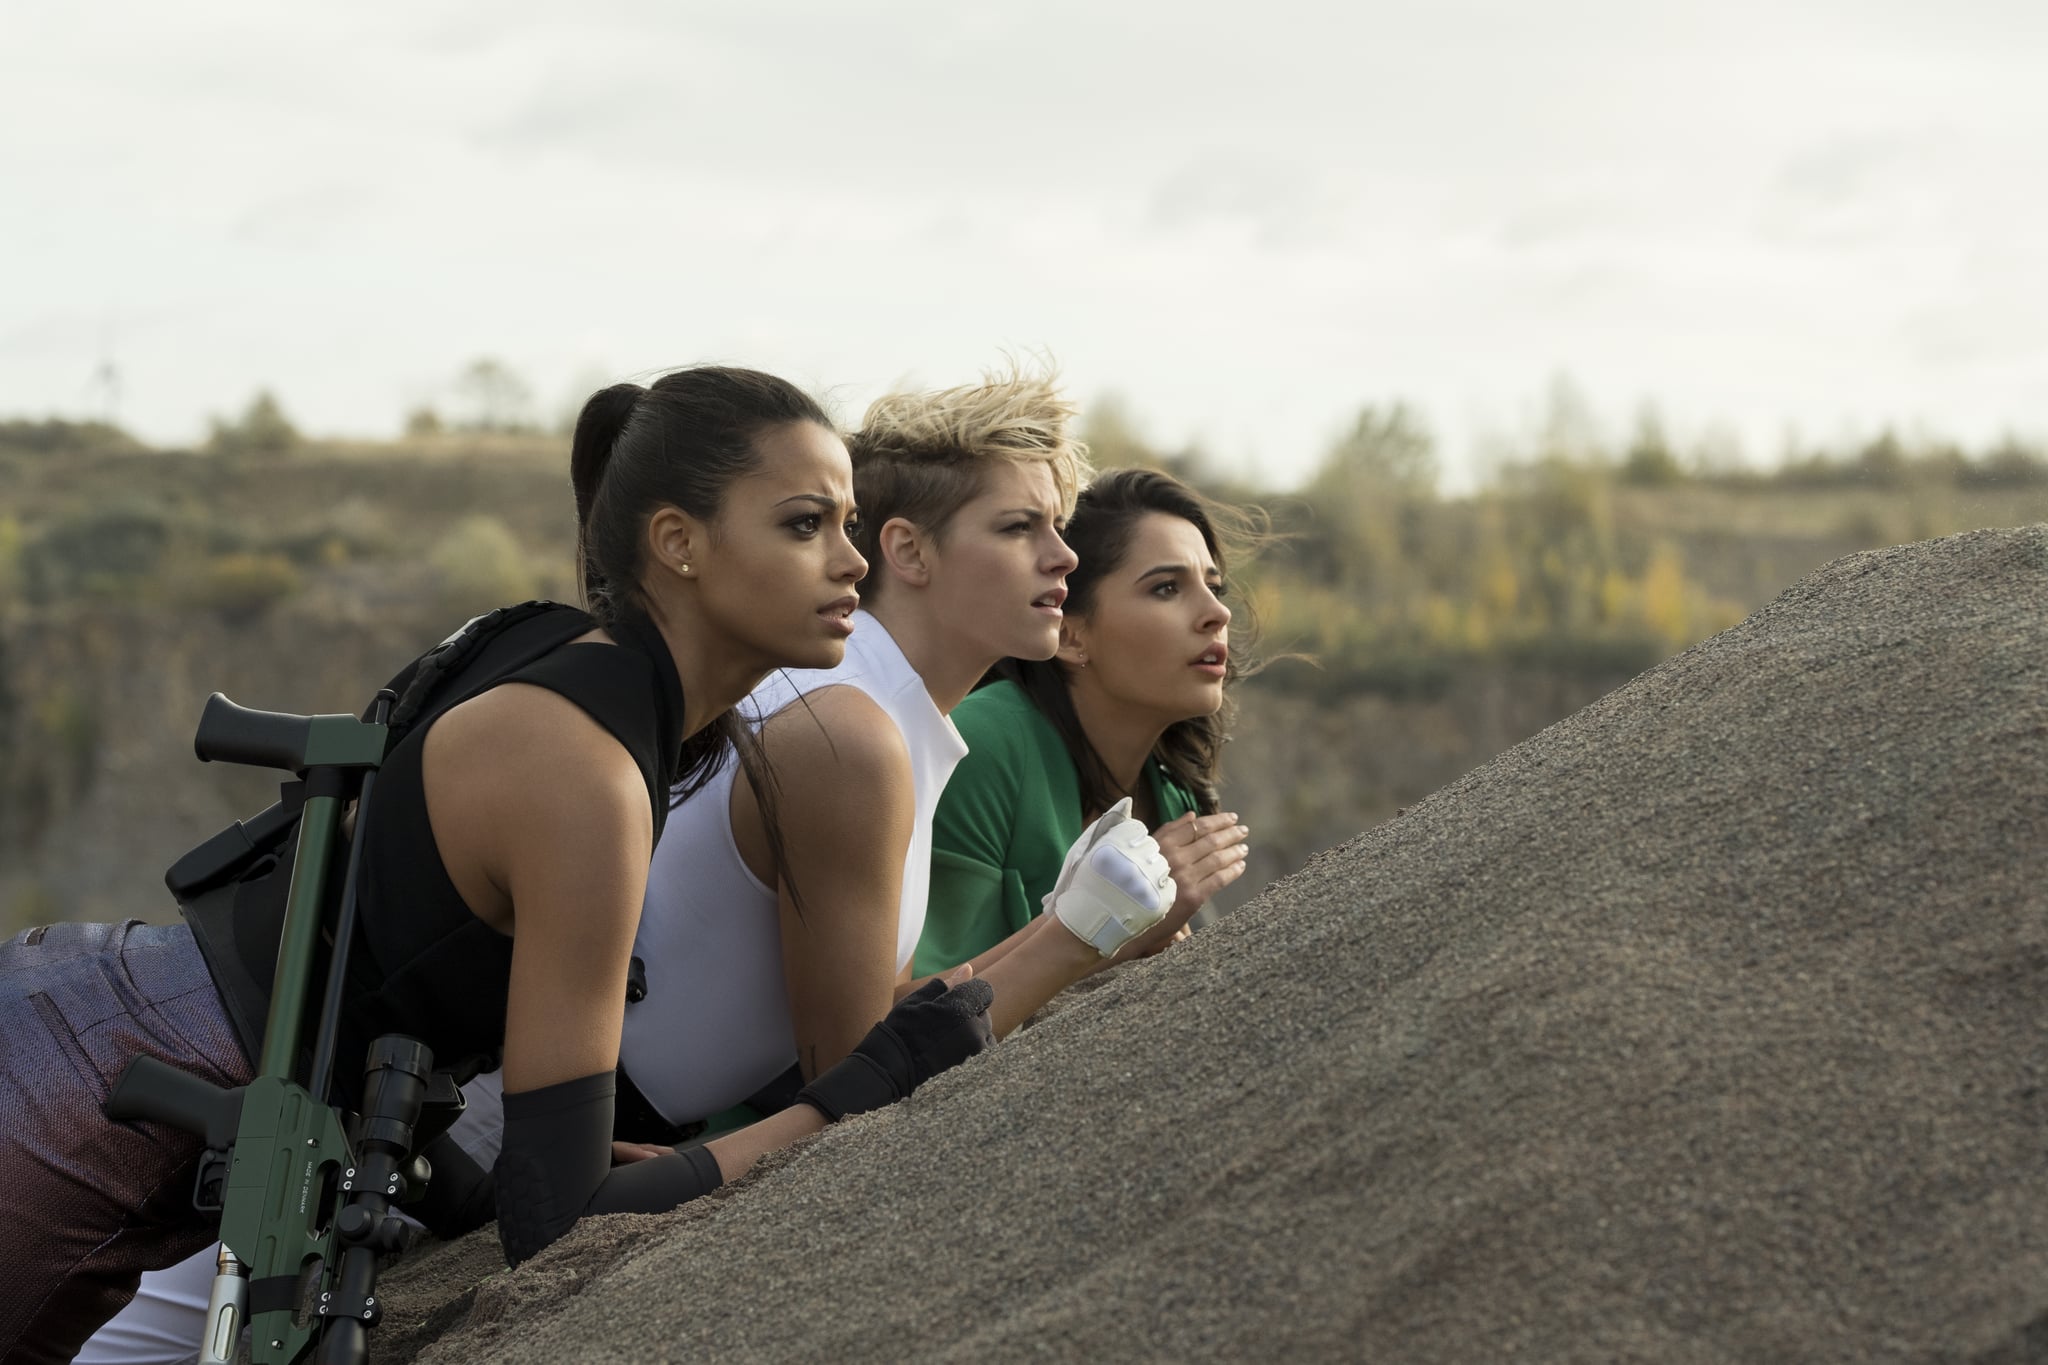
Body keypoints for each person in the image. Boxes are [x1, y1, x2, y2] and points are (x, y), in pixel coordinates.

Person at [1, 366, 996, 1364]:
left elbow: (388, 992)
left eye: (850, 525)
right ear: (677, 543)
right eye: (802, 525)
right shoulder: (589, 772)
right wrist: (856, 1090)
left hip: (103, 1044)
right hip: (94, 1103)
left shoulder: (567, 663)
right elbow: (557, 1222)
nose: (851, 563)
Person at [612, 365, 1189, 1143]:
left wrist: (1069, 922)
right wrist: (1077, 936)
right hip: (512, 1150)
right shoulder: (851, 731)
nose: (1065, 557)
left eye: (1059, 526)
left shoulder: (865, 699)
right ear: (909, 551)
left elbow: (879, 1006)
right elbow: (856, 1076)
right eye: (1020, 528)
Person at [917, 466, 1261, 976]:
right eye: (1167, 588)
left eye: (1214, 587)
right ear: (1072, 636)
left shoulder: (1170, 793)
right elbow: (908, 1021)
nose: (1217, 613)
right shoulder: (980, 747)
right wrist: (1114, 923)